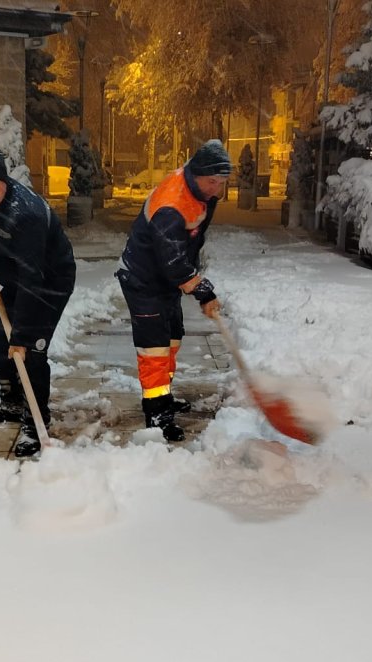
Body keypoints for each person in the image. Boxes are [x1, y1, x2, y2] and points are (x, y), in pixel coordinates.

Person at [0, 146, 76, 458]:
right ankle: (12, 402)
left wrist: (24, 337)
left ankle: (35, 420)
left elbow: (32, 280)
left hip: (47, 281)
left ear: (5, 179)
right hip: (15, 275)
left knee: (30, 354)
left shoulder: (26, 214)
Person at [115, 139, 230, 442]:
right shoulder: (171, 204)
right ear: (197, 174)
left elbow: (188, 244)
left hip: (165, 279)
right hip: (143, 278)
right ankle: (156, 413)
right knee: (154, 347)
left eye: (221, 182)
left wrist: (191, 273)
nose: (216, 189)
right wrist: (201, 289)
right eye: (212, 181)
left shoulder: (201, 192)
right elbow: (173, 260)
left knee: (172, 338)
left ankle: (162, 396)